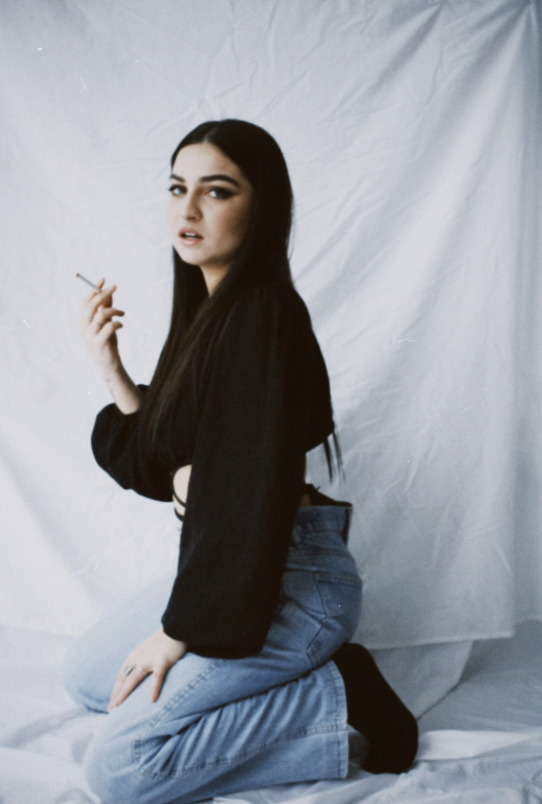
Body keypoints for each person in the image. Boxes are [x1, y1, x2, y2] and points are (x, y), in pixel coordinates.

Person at [64, 119, 417, 804]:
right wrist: (112, 369)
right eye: (178, 188)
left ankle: (339, 695)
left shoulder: (263, 316)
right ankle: (289, 678)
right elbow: (160, 465)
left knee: (121, 771)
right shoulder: (210, 312)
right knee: (87, 678)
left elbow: (245, 498)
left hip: (290, 583)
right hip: (238, 569)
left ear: (263, 207)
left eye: (217, 191)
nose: (189, 209)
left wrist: (178, 633)